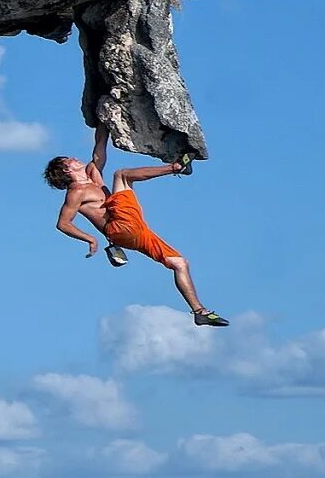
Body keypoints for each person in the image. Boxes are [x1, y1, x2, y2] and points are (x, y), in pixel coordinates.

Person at [43, 126, 229, 327]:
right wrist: (90, 238)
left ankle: (199, 312)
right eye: (68, 159)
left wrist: (102, 121)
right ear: (65, 169)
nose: (74, 157)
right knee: (121, 175)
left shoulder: (92, 174)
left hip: (135, 231)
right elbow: (62, 223)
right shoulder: (76, 192)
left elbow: (99, 147)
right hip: (120, 227)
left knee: (180, 263)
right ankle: (176, 167)